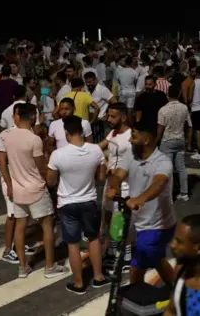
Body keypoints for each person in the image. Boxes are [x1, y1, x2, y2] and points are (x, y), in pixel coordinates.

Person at [0, 103, 68, 279]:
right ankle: (49, 267)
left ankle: (23, 267)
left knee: (20, 227)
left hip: (17, 189)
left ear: (17, 116)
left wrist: (9, 184)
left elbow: (3, 165)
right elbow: (41, 167)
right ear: (34, 117)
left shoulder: (6, 136)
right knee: (47, 225)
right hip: (36, 188)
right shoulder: (34, 139)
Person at [105, 119, 177, 287]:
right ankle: (176, 289)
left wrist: (140, 199)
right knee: (157, 260)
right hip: (140, 222)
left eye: (134, 137)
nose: (130, 140)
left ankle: (134, 299)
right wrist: (114, 187)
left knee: (136, 269)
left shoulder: (162, 162)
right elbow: (118, 175)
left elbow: (158, 184)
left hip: (157, 226)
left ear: (146, 141)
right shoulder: (130, 155)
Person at [46, 115, 110, 294]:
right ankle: (99, 277)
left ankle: (79, 283)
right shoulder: (96, 150)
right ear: (82, 131)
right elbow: (101, 177)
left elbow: (50, 181)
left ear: (66, 134)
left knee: (72, 244)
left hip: (67, 204)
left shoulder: (58, 154)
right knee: (93, 238)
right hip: (88, 200)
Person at [98, 102, 133, 272]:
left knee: (121, 222)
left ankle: (126, 258)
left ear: (124, 117)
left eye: (113, 116)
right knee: (110, 220)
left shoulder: (131, 137)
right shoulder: (112, 134)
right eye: (108, 115)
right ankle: (112, 253)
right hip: (110, 184)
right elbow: (99, 148)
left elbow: (133, 163)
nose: (109, 119)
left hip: (124, 187)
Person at [157, 85, 191, 201]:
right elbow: (188, 125)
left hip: (167, 141)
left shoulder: (163, 110)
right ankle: (184, 193)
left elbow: (160, 129)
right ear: (179, 95)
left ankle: (169, 196)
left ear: (167, 95)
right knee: (181, 168)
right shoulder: (184, 108)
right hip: (180, 140)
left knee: (168, 170)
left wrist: (156, 142)